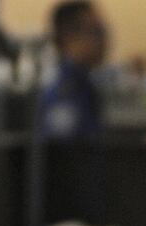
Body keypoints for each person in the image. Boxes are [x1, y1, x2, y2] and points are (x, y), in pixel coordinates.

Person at [40, 1, 109, 140]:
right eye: (96, 31)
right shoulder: (63, 92)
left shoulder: (83, 84)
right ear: (68, 36)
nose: (104, 41)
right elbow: (64, 155)